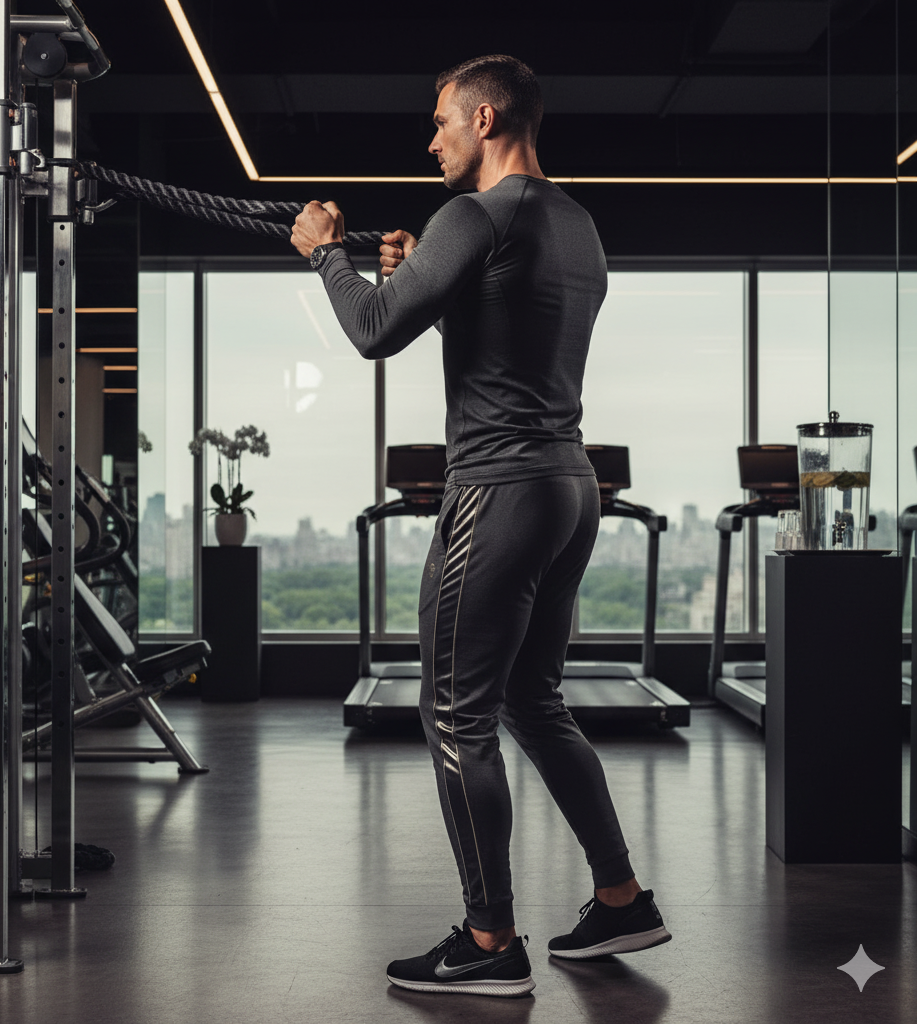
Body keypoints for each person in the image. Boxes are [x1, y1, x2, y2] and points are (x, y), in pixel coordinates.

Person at [290, 54, 671, 998]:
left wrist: (324, 253)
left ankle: (490, 942)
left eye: (441, 123)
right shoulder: (574, 223)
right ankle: (621, 898)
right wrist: (424, 266)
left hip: (498, 491)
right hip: (568, 487)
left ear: (486, 117)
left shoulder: (473, 216)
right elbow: (494, 311)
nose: (432, 140)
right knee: (535, 701)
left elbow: (374, 329)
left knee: (456, 715)